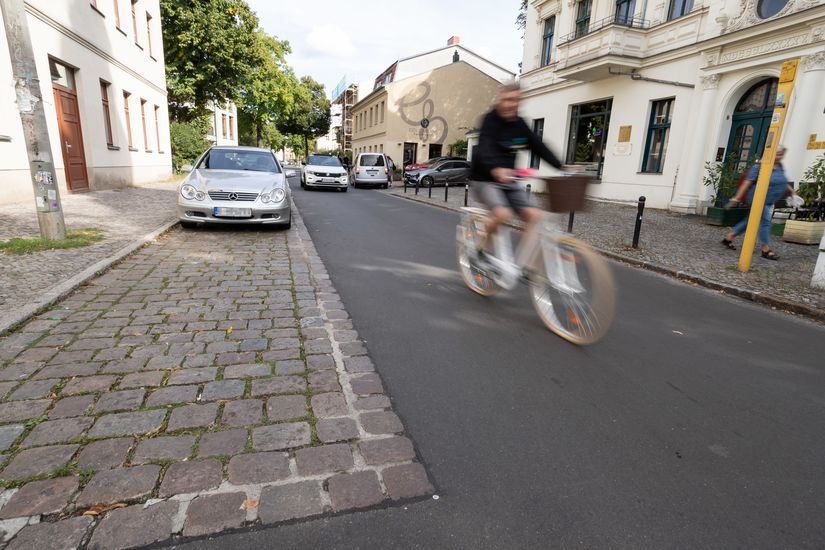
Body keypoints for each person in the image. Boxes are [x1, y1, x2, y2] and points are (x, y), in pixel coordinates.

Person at [470, 82, 574, 257]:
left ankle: (523, 263)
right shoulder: (490, 120)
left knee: (534, 215)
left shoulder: (519, 124)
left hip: (510, 181)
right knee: (502, 214)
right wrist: (495, 169)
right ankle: (481, 248)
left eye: (516, 100)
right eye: (508, 99)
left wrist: (561, 166)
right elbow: (484, 148)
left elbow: (538, 146)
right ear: (501, 100)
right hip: (484, 180)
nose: (512, 104)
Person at [721, 146, 796, 260]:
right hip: (758, 198)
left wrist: (792, 193)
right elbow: (747, 183)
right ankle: (765, 249)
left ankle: (728, 237)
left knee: (750, 220)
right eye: (778, 153)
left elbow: (783, 181)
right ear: (770, 154)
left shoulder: (780, 166)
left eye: (782, 154)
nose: (780, 156)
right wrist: (736, 198)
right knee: (765, 221)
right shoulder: (760, 166)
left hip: (769, 200)